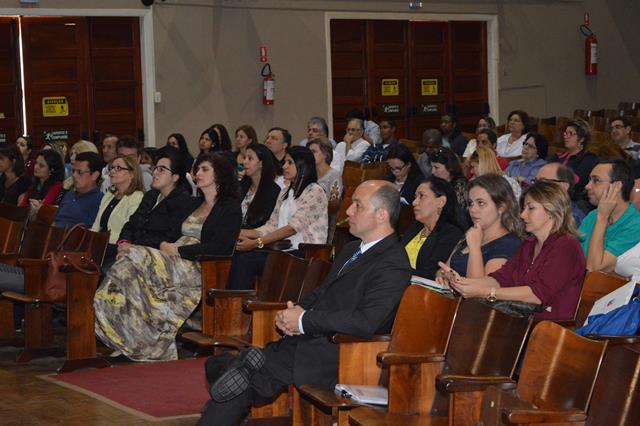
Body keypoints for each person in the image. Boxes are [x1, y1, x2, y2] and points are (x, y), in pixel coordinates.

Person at [197, 180, 411, 425]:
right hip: (309, 340)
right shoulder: (351, 248)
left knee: (240, 381)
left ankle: (236, 384)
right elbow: (322, 293)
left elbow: (366, 322)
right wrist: (294, 312)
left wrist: (304, 321)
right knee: (221, 367)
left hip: (339, 352)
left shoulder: (393, 263)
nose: (349, 211)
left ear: (381, 215)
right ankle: (241, 372)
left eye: (358, 206)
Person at [94, 152, 242, 361]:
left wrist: (178, 250)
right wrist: (166, 245)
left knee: (134, 255)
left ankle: (140, 342)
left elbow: (220, 247)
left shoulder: (230, 207)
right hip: (173, 259)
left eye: (204, 169)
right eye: (197, 169)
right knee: (126, 272)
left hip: (199, 266)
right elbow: (172, 234)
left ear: (220, 175)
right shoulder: (194, 204)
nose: (198, 173)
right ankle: (128, 339)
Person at [447, 180, 585, 321]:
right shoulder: (529, 244)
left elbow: (537, 295)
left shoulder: (566, 245)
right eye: (524, 208)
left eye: (530, 208)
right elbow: (501, 278)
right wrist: (461, 283)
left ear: (552, 211)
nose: (523, 215)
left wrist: (486, 292)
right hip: (522, 322)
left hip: (549, 328)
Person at [227, 146, 328, 290]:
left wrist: (257, 243)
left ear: (303, 165)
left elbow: (291, 229)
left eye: (289, 162)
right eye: (285, 162)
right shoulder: (285, 192)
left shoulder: (314, 191)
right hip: (283, 250)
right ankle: (231, 303)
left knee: (245, 260)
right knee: (237, 254)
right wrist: (241, 233)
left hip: (305, 252)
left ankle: (234, 305)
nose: (284, 166)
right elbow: (272, 225)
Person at [436, 174, 522, 283]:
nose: (473, 209)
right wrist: (443, 276)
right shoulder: (472, 233)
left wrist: (475, 247)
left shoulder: (509, 244)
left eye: (481, 203)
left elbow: (479, 293)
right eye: (471, 203)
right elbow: (443, 269)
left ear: (501, 207)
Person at [117, 148, 193, 258]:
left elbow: (168, 237)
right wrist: (123, 243)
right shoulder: (151, 196)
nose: (154, 173)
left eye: (161, 170)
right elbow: (131, 224)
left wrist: (134, 247)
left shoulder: (182, 202)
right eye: (155, 168)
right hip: (130, 251)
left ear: (175, 177)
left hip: (154, 257)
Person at [578, 159, 640, 272]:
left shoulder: (636, 226)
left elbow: (594, 269)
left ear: (616, 186)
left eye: (596, 180)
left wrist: (602, 218)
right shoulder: (593, 215)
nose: (587, 186)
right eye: (589, 180)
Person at [402, 176, 463, 280]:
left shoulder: (451, 234)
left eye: (421, 196)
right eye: (415, 197)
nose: (414, 202)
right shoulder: (416, 227)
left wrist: (394, 269)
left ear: (441, 202)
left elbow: (431, 273)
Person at [91, 155, 145, 263]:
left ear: (131, 174)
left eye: (118, 168)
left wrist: (101, 241)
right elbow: (96, 224)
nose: (112, 171)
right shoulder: (109, 195)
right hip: (100, 245)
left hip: (117, 247)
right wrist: (89, 238)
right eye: (111, 168)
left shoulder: (137, 197)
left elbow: (129, 228)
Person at [548, 119, 598, 209]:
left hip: (573, 201)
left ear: (582, 138)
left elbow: (577, 182)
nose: (566, 136)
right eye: (565, 133)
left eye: (570, 133)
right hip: (552, 196)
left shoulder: (589, 158)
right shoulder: (557, 156)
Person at [54, 152, 104, 228]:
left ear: (94, 175)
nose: (74, 175)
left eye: (79, 172)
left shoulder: (99, 200)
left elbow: (89, 230)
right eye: (73, 171)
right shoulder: (69, 194)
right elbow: (56, 219)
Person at [238, 144, 281, 229]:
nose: (245, 162)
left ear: (261, 163)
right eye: (244, 158)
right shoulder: (240, 187)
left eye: (250, 158)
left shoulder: (273, 191)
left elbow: (267, 223)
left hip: (256, 237)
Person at [430, 147, 471, 229]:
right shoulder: (434, 182)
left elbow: (458, 217)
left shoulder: (461, 185)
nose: (432, 172)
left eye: (436, 167)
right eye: (432, 167)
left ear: (449, 167)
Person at [18, 150, 65, 214]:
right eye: (36, 163)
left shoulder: (57, 185)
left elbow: (44, 207)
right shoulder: (35, 183)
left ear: (52, 170)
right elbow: (22, 206)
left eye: (41, 165)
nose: (36, 167)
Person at [308, 137, 342, 202]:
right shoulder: (309, 173)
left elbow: (334, 202)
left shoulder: (334, 175)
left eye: (313, 151)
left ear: (325, 154)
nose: (309, 155)